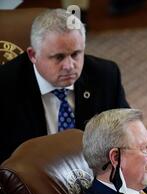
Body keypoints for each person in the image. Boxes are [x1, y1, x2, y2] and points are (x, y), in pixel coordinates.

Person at [0, 9, 129, 164]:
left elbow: (126, 134)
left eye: (75, 54)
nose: (69, 66)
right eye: (58, 57)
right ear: (33, 55)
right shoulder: (5, 86)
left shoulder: (105, 76)